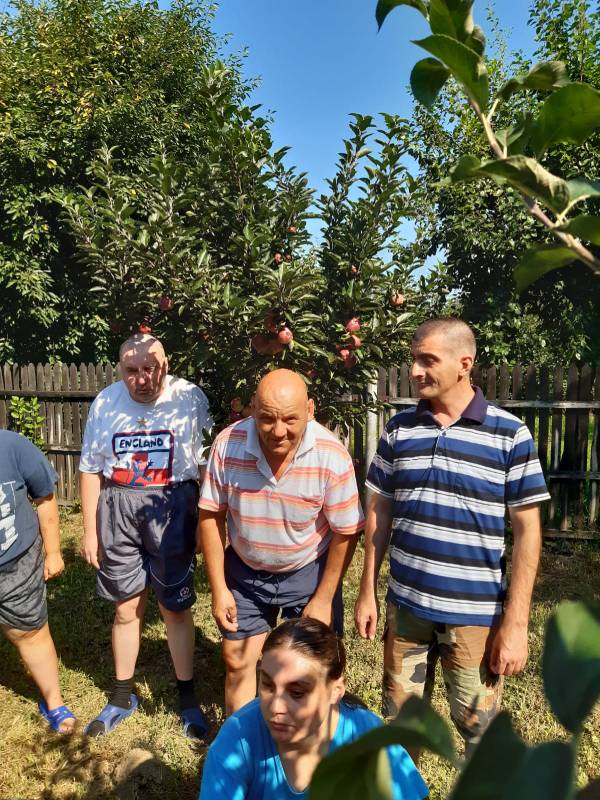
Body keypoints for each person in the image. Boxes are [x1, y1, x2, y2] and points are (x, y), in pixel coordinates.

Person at [355, 318, 550, 757]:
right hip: (406, 609)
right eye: (414, 359)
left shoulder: (509, 434)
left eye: (427, 360)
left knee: (480, 734)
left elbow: (527, 531)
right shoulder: (399, 429)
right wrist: (368, 590)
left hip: (474, 617)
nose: (415, 370)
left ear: (465, 364)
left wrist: (516, 623)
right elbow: (379, 511)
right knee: (401, 733)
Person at [198, 369, 364, 714]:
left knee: (308, 667)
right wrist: (219, 589)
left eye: (290, 419)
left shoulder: (331, 454)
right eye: (266, 418)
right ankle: (242, 743)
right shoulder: (227, 445)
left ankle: (305, 739)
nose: (277, 431)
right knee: (236, 661)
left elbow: (346, 531)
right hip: (244, 569)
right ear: (252, 408)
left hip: (307, 570)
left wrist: (323, 598)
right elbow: (211, 516)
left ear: (310, 410)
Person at [79, 332, 213, 738]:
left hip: (172, 505)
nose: (141, 379)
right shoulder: (105, 402)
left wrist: (208, 525)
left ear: (165, 365)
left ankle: (186, 697)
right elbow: (90, 469)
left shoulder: (190, 398)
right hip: (118, 506)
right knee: (125, 607)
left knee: (174, 607)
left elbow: (207, 468)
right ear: (120, 369)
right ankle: (122, 696)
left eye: (149, 368)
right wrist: (90, 532)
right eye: (131, 370)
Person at [199, 617, 428, 799]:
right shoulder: (238, 737)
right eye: (268, 685)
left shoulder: (368, 736)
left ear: (336, 690)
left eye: (297, 693)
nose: (275, 706)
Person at [0, 430, 75, 733]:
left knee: (30, 632)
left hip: (17, 563)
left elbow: (45, 497)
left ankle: (53, 701)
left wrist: (53, 552)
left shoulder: (13, 447)